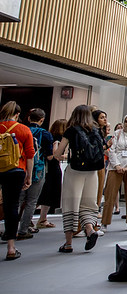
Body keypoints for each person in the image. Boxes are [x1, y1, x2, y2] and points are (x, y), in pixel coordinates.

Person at [53, 104, 104, 253]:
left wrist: (60, 155)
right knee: (88, 204)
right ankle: (90, 229)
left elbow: (58, 153)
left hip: (75, 171)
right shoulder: (96, 130)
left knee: (71, 204)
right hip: (93, 171)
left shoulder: (71, 130)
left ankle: (68, 243)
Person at [0, 101, 34, 260]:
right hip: (16, 169)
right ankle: (11, 247)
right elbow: (30, 154)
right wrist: (29, 175)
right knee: (11, 205)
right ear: (18, 114)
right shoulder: (23, 129)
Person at [16, 108, 53, 240]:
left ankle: (12, 228)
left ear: (29, 118)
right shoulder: (45, 134)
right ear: (42, 120)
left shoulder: (20, 130)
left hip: (20, 166)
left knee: (18, 199)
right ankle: (23, 229)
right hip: (38, 168)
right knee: (32, 200)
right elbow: (49, 156)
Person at [102, 114, 127, 231]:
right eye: (126, 121)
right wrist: (116, 165)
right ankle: (105, 222)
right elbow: (112, 150)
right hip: (115, 167)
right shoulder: (117, 134)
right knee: (110, 194)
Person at [36, 118, 67, 229]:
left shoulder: (48, 136)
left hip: (48, 168)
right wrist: (65, 156)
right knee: (47, 193)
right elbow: (55, 154)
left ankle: (41, 218)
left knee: (44, 194)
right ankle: (42, 218)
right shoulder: (58, 139)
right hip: (53, 168)